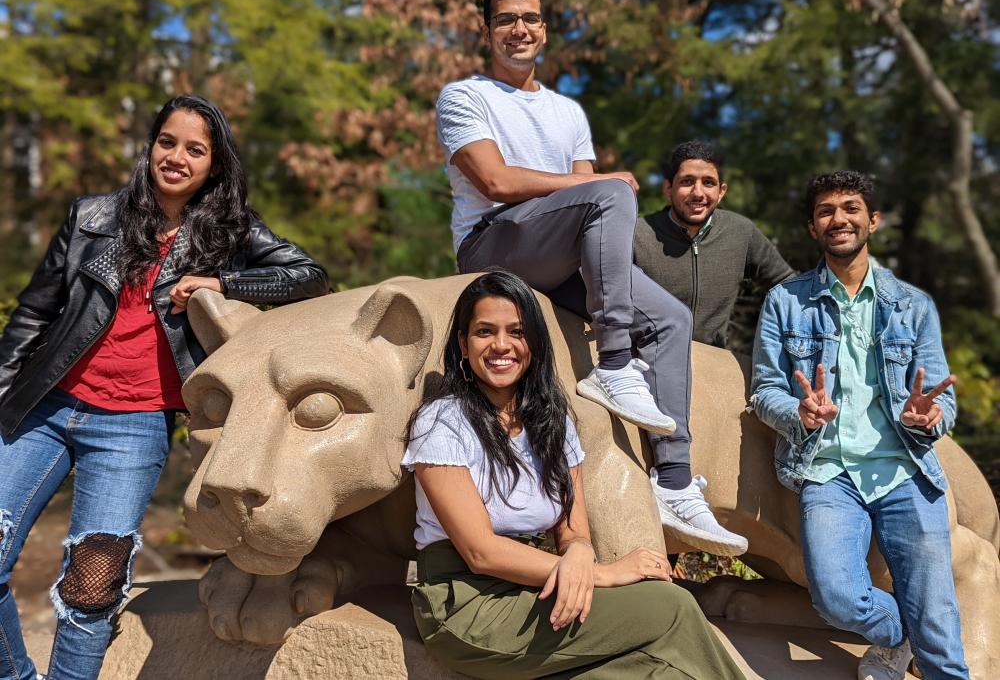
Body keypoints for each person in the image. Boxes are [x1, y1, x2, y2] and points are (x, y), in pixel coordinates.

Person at [0, 94, 329, 680]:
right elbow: (32, 315)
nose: (176, 157)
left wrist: (222, 280)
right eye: (167, 142)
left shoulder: (230, 234)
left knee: (91, 590)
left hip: (132, 427)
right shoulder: (90, 218)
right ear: (150, 146)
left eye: (195, 149)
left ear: (214, 165)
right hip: (45, 409)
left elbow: (308, 277)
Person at [437, 0, 746, 556]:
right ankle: (613, 362)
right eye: (505, 19)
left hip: (557, 250)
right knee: (611, 192)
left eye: (529, 18)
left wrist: (600, 188)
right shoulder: (464, 96)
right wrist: (604, 182)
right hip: (491, 246)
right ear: (486, 32)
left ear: (545, 30)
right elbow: (496, 181)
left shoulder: (568, 112)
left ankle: (675, 485)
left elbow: (584, 209)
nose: (519, 29)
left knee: (671, 318)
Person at [403, 270, 746, 679]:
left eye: (516, 331)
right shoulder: (442, 422)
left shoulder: (553, 422)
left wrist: (581, 554)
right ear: (463, 343)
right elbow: (481, 553)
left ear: (535, 342)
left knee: (662, 673)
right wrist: (603, 573)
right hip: (468, 605)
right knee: (671, 607)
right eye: (484, 332)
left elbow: (573, 530)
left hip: (539, 586)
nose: (501, 345)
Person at [750, 171, 968, 680]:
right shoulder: (786, 302)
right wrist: (798, 414)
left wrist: (930, 417)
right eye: (826, 211)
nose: (838, 219)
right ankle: (899, 638)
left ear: (873, 220)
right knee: (837, 599)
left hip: (904, 468)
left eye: (851, 208)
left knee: (939, 620)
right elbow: (764, 390)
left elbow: (943, 399)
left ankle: (928, 646)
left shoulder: (913, 305)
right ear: (812, 228)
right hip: (826, 469)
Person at [634, 140, 794, 349]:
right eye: (687, 181)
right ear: (668, 188)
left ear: (721, 192)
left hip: (713, 362)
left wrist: (774, 342)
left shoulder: (741, 231)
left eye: (708, 182)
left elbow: (786, 285)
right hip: (645, 359)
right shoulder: (636, 233)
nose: (698, 193)